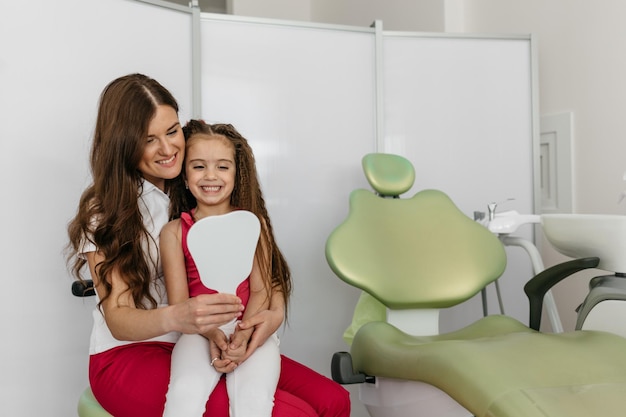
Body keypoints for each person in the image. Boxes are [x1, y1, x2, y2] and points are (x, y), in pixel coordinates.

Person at [66, 73, 351, 417]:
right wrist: (179, 315)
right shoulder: (105, 211)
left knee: (334, 402)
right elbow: (118, 318)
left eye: (172, 131)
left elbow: (262, 274)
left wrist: (271, 315)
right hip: (131, 353)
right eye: (148, 139)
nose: (168, 148)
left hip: (209, 339)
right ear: (123, 144)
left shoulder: (200, 179)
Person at [161, 121, 286, 416]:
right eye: (199, 166)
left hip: (251, 326)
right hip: (199, 332)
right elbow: (180, 304)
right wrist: (213, 333)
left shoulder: (255, 225)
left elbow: (260, 289)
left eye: (222, 167)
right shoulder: (174, 232)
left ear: (236, 172)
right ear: (185, 175)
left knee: (254, 401)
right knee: (184, 394)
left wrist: (243, 334)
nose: (211, 176)